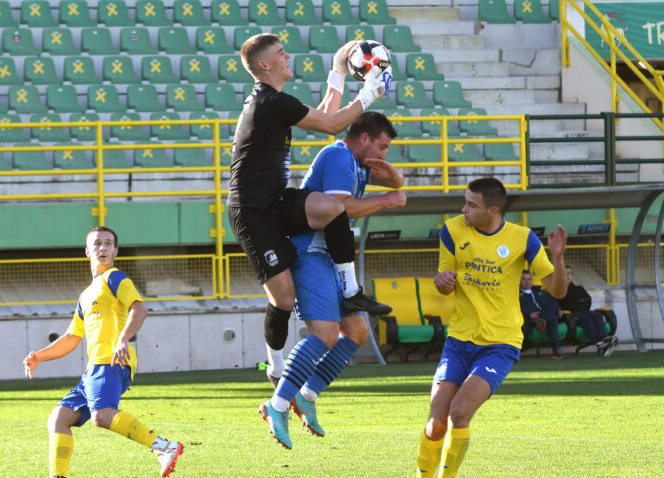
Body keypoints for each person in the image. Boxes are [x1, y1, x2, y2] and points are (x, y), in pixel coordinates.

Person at [228, 33, 394, 385]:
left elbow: (325, 117)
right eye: (280, 52)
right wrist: (370, 93)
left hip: (276, 199)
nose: (287, 55)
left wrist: (339, 71)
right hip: (253, 211)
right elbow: (333, 125)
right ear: (264, 64)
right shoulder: (270, 102)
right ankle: (274, 365)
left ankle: (351, 290)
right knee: (284, 299)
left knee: (333, 207)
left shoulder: (276, 101)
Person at [257, 112, 407, 449]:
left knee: (356, 332)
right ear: (364, 137)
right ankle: (277, 405)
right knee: (325, 334)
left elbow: (397, 185)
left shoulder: (358, 163)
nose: (383, 154)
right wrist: (384, 200)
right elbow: (340, 207)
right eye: (382, 146)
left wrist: (391, 175)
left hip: (331, 257)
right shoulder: (339, 155)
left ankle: (306, 395)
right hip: (311, 251)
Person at [416, 178, 568, 478]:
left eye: (472, 205)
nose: (464, 209)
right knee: (436, 423)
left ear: (493, 210)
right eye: (465, 202)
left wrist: (558, 259)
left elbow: (558, 291)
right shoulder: (452, 230)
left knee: (459, 413)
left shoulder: (523, 239)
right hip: (458, 341)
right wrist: (441, 282)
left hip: (500, 345)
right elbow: (444, 280)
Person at [22, 226, 183, 478]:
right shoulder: (85, 295)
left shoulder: (115, 278)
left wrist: (123, 338)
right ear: (87, 251)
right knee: (59, 419)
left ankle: (164, 447)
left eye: (108, 243)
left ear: (116, 251)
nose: (103, 248)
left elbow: (139, 309)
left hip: (112, 362)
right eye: (97, 243)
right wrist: (39, 356)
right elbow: (71, 338)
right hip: (93, 370)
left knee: (102, 416)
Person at [559, 265, 617, 356]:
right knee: (587, 320)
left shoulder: (579, 288)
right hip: (570, 316)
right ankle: (598, 343)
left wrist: (581, 306)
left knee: (597, 315)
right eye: (565, 274)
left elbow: (587, 300)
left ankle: (604, 339)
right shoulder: (558, 290)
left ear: (572, 276)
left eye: (569, 273)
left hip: (584, 312)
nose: (567, 276)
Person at [519, 270, 567, 359]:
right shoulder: (516, 293)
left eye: (529, 279)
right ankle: (557, 351)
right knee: (553, 318)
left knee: (553, 302)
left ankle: (544, 319)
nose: (527, 281)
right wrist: (529, 314)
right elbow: (514, 307)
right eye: (524, 279)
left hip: (543, 316)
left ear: (532, 280)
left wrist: (559, 308)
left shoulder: (537, 290)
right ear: (519, 280)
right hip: (531, 319)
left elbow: (552, 302)